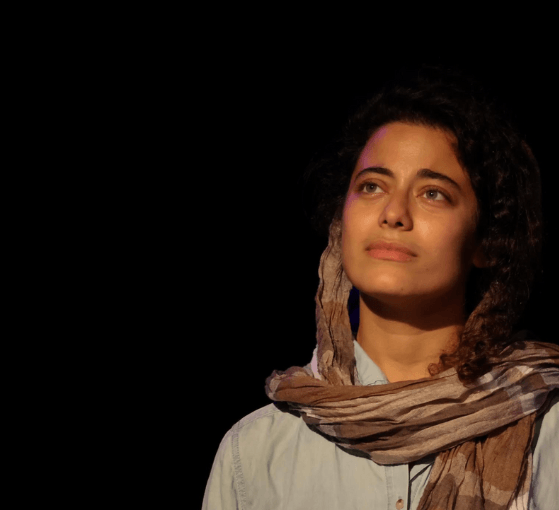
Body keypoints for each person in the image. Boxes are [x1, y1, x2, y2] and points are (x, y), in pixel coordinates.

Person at [202, 67, 559, 510]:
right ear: (341, 221)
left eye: (433, 193)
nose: (394, 213)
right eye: (371, 186)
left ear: (486, 241)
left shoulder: (549, 430)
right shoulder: (255, 455)